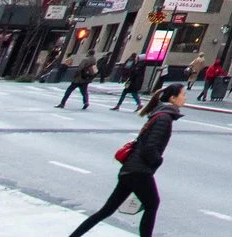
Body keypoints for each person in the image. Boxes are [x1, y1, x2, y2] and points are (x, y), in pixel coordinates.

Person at [67, 80, 182, 237]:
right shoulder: (164, 118)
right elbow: (150, 147)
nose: (185, 98)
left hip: (130, 168)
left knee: (106, 210)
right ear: (173, 99)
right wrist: (157, 160)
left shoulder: (159, 114)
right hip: (139, 170)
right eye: (183, 95)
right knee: (152, 204)